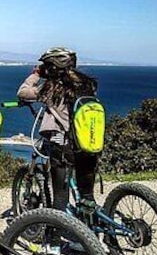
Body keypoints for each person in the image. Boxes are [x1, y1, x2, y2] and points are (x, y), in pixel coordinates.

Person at [17, 47, 100, 218]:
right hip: (88, 143)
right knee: (86, 197)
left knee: (60, 200)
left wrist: (36, 74)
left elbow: (23, 93)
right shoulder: (88, 85)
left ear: (52, 68)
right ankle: (89, 235)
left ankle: (54, 242)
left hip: (64, 146)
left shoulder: (52, 88)